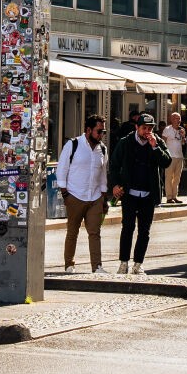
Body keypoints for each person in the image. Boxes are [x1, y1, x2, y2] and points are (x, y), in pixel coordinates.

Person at [109, 112, 170, 275]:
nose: (147, 132)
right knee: (127, 228)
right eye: (144, 128)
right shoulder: (126, 142)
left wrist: (155, 147)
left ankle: (138, 263)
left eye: (150, 128)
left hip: (148, 195)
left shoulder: (157, 142)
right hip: (129, 193)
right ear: (137, 127)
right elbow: (114, 165)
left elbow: (167, 162)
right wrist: (115, 185)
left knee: (145, 230)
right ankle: (123, 263)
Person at [56, 114, 109, 274]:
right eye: (99, 131)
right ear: (88, 130)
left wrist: (104, 198)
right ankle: (69, 265)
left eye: (103, 132)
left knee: (95, 233)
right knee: (72, 232)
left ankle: (97, 267)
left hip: (95, 197)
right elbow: (62, 170)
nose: (101, 135)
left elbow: (103, 175)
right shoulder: (73, 145)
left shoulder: (103, 149)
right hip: (75, 195)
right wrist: (66, 195)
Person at [161, 111, 186, 204]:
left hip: (179, 156)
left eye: (179, 118)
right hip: (170, 156)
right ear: (171, 119)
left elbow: (183, 143)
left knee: (177, 178)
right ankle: (169, 197)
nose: (178, 120)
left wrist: (183, 136)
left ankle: (175, 196)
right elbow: (162, 142)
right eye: (176, 118)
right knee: (169, 177)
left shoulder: (181, 129)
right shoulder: (167, 129)